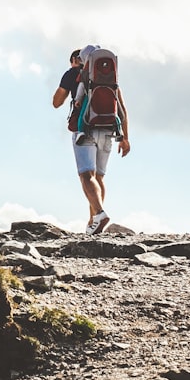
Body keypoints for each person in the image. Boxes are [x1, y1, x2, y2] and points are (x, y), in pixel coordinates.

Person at [52, 44, 131, 236]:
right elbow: (122, 109)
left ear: (78, 60)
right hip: (109, 130)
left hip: (85, 128)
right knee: (99, 178)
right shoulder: (110, 79)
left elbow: (56, 102)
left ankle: (99, 214)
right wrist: (125, 138)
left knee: (86, 175)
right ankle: (93, 223)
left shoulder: (74, 74)